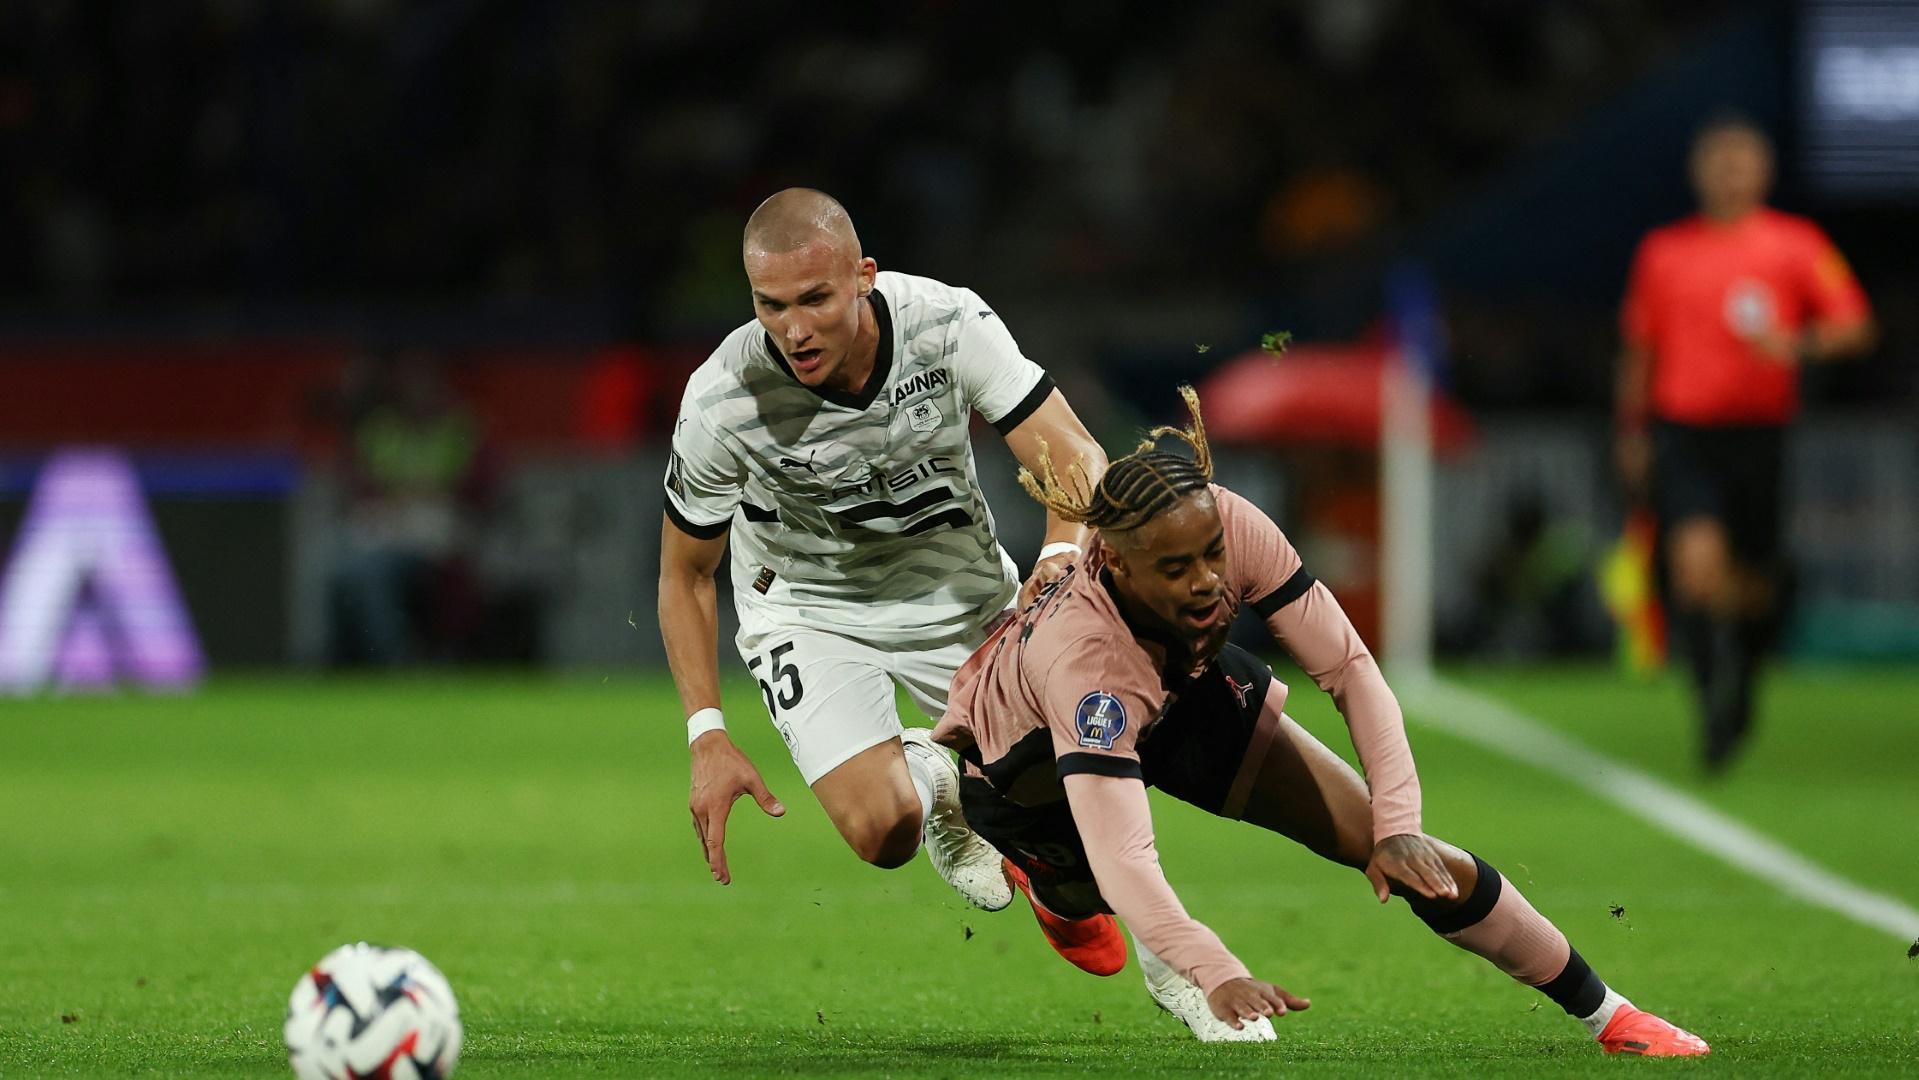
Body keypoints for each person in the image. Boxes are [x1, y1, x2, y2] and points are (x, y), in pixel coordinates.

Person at [934, 387, 1709, 1055]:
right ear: (1117, 565)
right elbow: (1129, 855)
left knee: (1414, 859)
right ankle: (996, 839)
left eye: (1210, 555)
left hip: (1189, 690)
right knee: (1087, 905)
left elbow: (1348, 669)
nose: (1208, 582)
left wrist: (1399, 823)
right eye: (1176, 569)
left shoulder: (1228, 523)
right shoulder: (1086, 664)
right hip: (1024, 767)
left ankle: (1613, 1017)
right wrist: (1217, 972)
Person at [658, 188, 1108, 910]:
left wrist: (1057, 557)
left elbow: (1079, 459)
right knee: (883, 832)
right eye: (770, 305)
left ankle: (1025, 851)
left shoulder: (947, 324)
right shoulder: (721, 399)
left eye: (814, 299)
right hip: (811, 613)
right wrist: (706, 733)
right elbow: (684, 574)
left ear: (863, 277)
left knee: (1076, 823)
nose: (793, 330)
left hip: (960, 597)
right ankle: (935, 785)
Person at [1615, 114, 1875, 769]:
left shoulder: (1795, 245)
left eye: (1741, 161)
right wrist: (1632, 429)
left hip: (1760, 434)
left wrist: (1796, 344)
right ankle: (1711, 707)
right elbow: (1639, 349)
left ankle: (1746, 681)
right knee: (1694, 571)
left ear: (1762, 172)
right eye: (1717, 161)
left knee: (1753, 582)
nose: (1728, 173)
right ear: (1697, 172)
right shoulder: (1664, 251)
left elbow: (1854, 325)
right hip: (1685, 431)